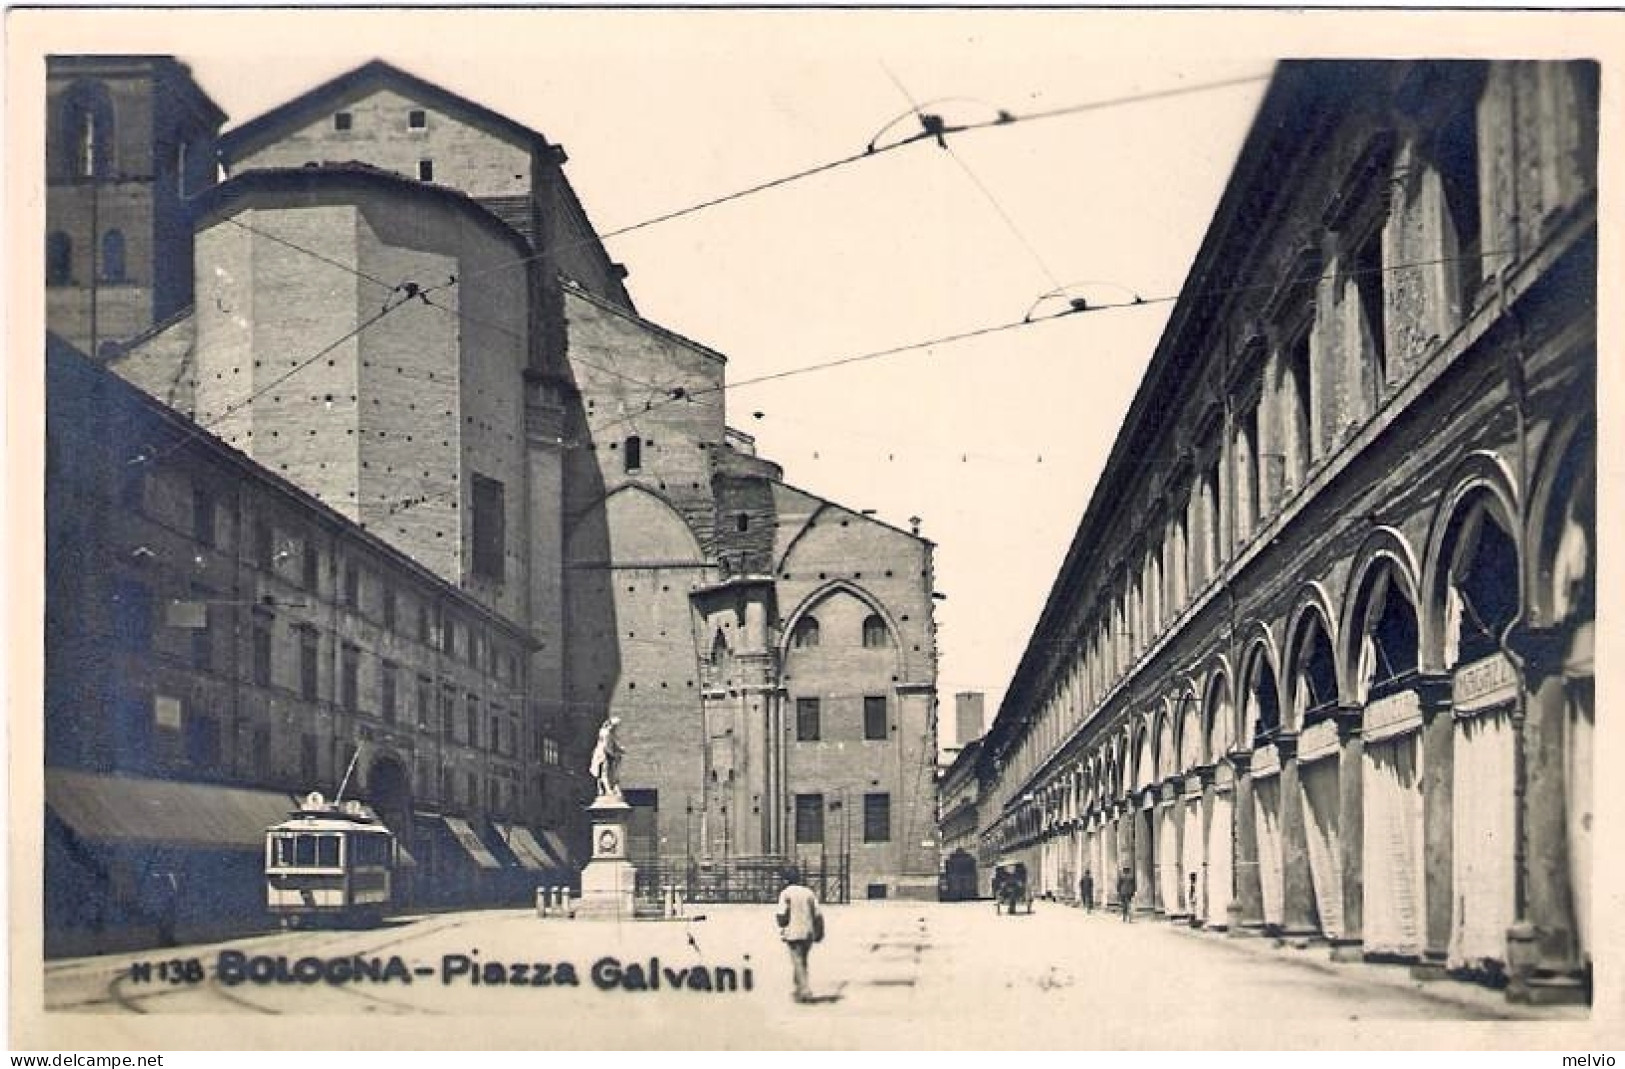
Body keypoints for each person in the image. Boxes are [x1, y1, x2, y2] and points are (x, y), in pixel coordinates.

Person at [774, 865, 823, 1002]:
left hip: (793, 932)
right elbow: (818, 915)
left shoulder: (785, 894)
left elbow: (781, 916)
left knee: (797, 961)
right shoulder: (808, 892)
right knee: (803, 961)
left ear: (786, 880)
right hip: (808, 932)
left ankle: (805, 990)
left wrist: (781, 922)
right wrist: (819, 932)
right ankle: (798, 989)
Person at [588, 716, 624, 798]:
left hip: (607, 755)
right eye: (615, 726)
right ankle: (608, 790)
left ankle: (605, 790)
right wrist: (614, 755)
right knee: (604, 773)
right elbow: (606, 746)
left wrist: (620, 749)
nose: (616, 729)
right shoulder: (605, 733)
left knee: (608, 773)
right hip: (602, 755)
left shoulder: (610, 733)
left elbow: (613, 744)